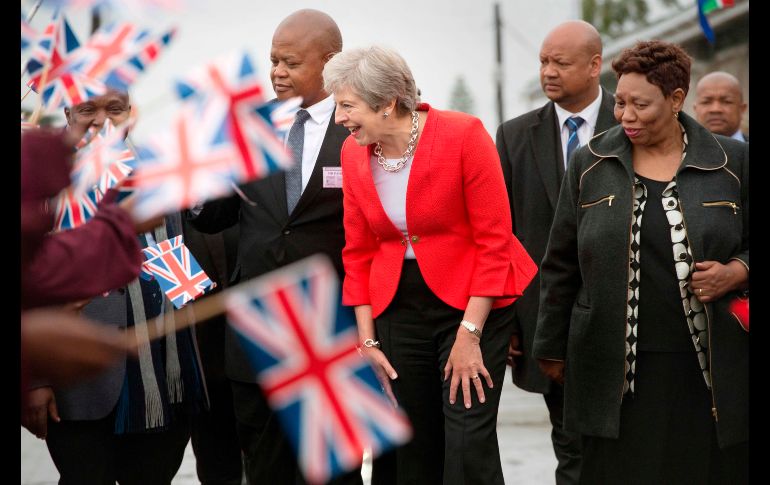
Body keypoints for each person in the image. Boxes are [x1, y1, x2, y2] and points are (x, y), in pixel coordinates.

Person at [533, 40, 748, 483]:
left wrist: (738, 271)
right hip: (614, 368)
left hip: (708, 368)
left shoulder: (733, 162)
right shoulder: (591, 163)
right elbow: (560, 264)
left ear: (675, 99)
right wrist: (551, 348)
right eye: (621, 102)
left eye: (640, 105)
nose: (626, 115)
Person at [323, 45, 537, 485]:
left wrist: (469, 334)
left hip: (476, 301)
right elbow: (357, 252)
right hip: (398, 306)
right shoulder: (352, 153)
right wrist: (367, 342)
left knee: (466, 441)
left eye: (347, 106)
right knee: (412, 442)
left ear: (386, 103)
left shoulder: (464, 135)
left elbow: (495, 242)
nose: (340, 117)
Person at [189, 9, 360, 485]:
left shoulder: (358, 125)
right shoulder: (249, 126)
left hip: (332, 326)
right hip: (257, 330)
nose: (277, 73)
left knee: (336, 468)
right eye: (273, 62)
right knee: (265, 467)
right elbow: (215, 214)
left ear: (329, 62)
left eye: (290, 62)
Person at [23, 89, 207, 485]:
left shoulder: (161, 169)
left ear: (130, 113)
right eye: (89, 109)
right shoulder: (42, 180)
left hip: (161, 372)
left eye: (115, 108)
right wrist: (35, 382)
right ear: (69, 112)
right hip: (79, 383)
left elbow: (180, 257)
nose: (102, 119)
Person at [495, 19, 616, 484]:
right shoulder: (514, 136)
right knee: (569, 449)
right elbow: (500, 232)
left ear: (594, 66)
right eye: (543, 61)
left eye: (560, 63)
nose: (548, 71)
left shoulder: (631, 125)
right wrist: (508, 318)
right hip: (548, 320)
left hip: (623, 318)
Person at [693, 71, 748, 141]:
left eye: (726, 102)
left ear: (742, 109)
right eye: (706, 102)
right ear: (695, 109)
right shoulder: (681, 150)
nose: (715, 109)